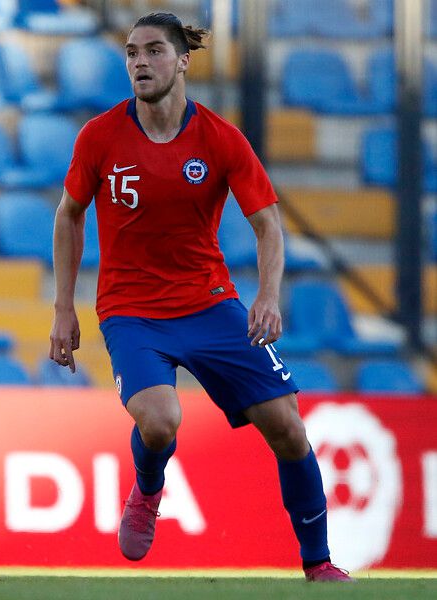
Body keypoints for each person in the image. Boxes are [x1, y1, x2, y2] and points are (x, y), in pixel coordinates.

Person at [49, 12, 351, 583]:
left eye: (153, 51)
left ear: (182, 60)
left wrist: (266, 296)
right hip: (131, 310)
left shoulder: (219, 138)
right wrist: (64, 308)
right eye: (132, 53)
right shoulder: (100, 136)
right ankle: (148, 489)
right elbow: (69, 215)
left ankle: (319, 564)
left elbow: (267, 224)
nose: (140, 62)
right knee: (161, 422)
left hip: (210, 304)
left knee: (287, 426)